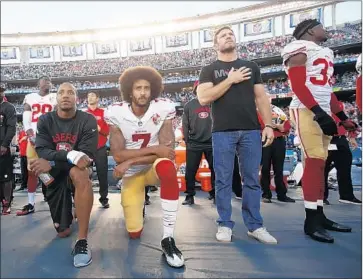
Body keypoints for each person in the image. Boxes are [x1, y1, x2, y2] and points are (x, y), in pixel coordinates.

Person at [197, 26, 277, 244]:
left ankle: (255, 226)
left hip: (251, 130)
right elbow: (204, 98)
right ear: (216, 45)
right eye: (223, 35)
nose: (228, 36)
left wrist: (268, 125)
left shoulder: (250, 66)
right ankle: (224, 224)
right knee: (222, 180)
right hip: (222, 131)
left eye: (231, 34)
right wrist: (230, 79)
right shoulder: (209, 69)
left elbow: (261, 98)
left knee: (252, 179)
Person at [282, 19, 358, 243]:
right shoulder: (298, 48)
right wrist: (318, 112)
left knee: (321, 162)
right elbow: (297, 85)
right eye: (321, 27)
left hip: (321, 109)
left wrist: (342, 117)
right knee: (314, 162)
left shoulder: (323, 52)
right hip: (306, 109)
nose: (326, 30)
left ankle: (320, 216)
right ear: (311, 30)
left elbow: (326, 89)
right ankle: (311, 221)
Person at [106, 66, 184, 268]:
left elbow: (166, 152)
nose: (142, 92)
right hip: (131, 176)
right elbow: (117, 154)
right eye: (138, 88)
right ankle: (137, 209)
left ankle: (168, 238)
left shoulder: (163, 108)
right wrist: (153, 149)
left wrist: (130, 160)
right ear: (129, 91)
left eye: (146, 88)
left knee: (167, 166)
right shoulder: (116, 112)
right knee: (134, 233)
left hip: (152, 169)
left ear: (153, 90)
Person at [29, 82, 97, 267]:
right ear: (56, 98)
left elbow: (84, 158)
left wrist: (53, 159)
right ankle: (67, 213)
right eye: (61, 92)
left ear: (77, 98)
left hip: (75, 168)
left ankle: (82, 240)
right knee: (63, 231)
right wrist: (68, 155)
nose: (65, 95)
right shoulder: (45, 120)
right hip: (56, 170)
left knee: (79, 173)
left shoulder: (88, 120)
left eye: (70, 92)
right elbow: (42, 150)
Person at [17, 76, 57, 216]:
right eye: (44, 80)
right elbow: (26, 116)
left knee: (54, 169)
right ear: (38, 83)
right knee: (32, 171)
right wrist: (29, 133)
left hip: (50, 139)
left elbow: (59, 117)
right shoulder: (30, 97)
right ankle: (31, 202)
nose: (47, 82)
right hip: (33, 138)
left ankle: (57, 197)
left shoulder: (55, 97)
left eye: (49, 80)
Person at [182, 80, 215, 205]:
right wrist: (187, 140)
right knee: (190, 171)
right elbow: (185, 125)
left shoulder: (213, 103)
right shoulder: (189, 105)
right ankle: (189, 196)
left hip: (211, 142)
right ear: (195, 90)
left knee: (215, 170)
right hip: (194, 143)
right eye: (199, 88)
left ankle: (215, 193)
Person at [259, 100, 295, 203]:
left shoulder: (277, 110)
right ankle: (266, 194)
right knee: (265, 168)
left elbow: (287, 125)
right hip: (264, 138)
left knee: (279, 169)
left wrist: (281, 127)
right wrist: (269, 125)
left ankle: (282, 194)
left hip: (279, 140)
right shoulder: (257, 109)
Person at [323, 113, 361, 205]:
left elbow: (345, 120)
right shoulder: (318, 103)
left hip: (341, 139)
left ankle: (346, 196)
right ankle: (321, 196)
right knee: (322, 169)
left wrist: (352, 137)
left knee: (345, 168)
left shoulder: (338, 103)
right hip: (324, 138)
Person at [86, 91, 110, 208]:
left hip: (100, 148)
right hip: (87, 149)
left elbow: (107, 131)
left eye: (92, 96)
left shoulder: (103, 113)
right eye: (88, 96)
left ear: (98, 98)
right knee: (85, 175)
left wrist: (98, 128)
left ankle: (104, 198)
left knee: (102, 174)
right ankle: (85, 198)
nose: (90, 98)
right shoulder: (83, 114)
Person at [0, 86, 17, 215]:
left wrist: (5, 145)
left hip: (2, 146)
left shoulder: (8, 107)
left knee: (6, 176)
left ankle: (7, 202)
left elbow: (11, 128)